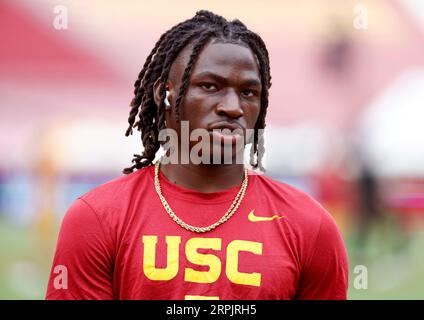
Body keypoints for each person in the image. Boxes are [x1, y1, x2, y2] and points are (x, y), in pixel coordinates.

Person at [46, 10, 348, 300]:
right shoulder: (97, 217)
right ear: (164, 94)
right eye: (210, 86)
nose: (232, 107)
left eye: (248, 93)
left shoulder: (310, 226)